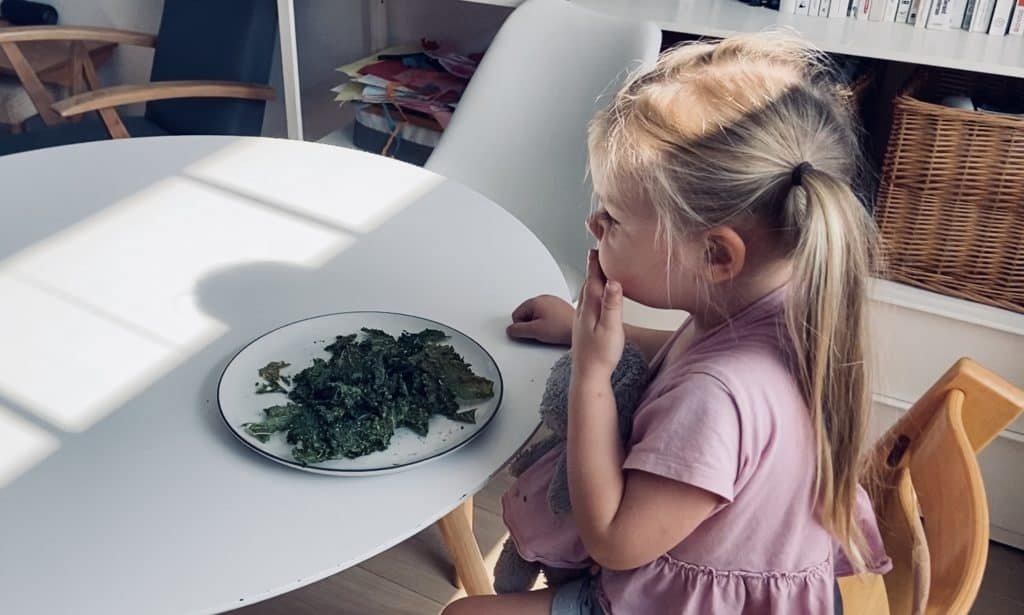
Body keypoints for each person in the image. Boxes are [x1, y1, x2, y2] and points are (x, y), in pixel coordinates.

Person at [444, 31, 890, 615]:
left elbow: (614, 540)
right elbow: (684, 355)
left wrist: (592, 379)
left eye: (615, 220)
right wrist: (587, 327)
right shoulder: (784, 294)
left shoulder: (716, 400)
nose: (593, 226)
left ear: (715, 256)